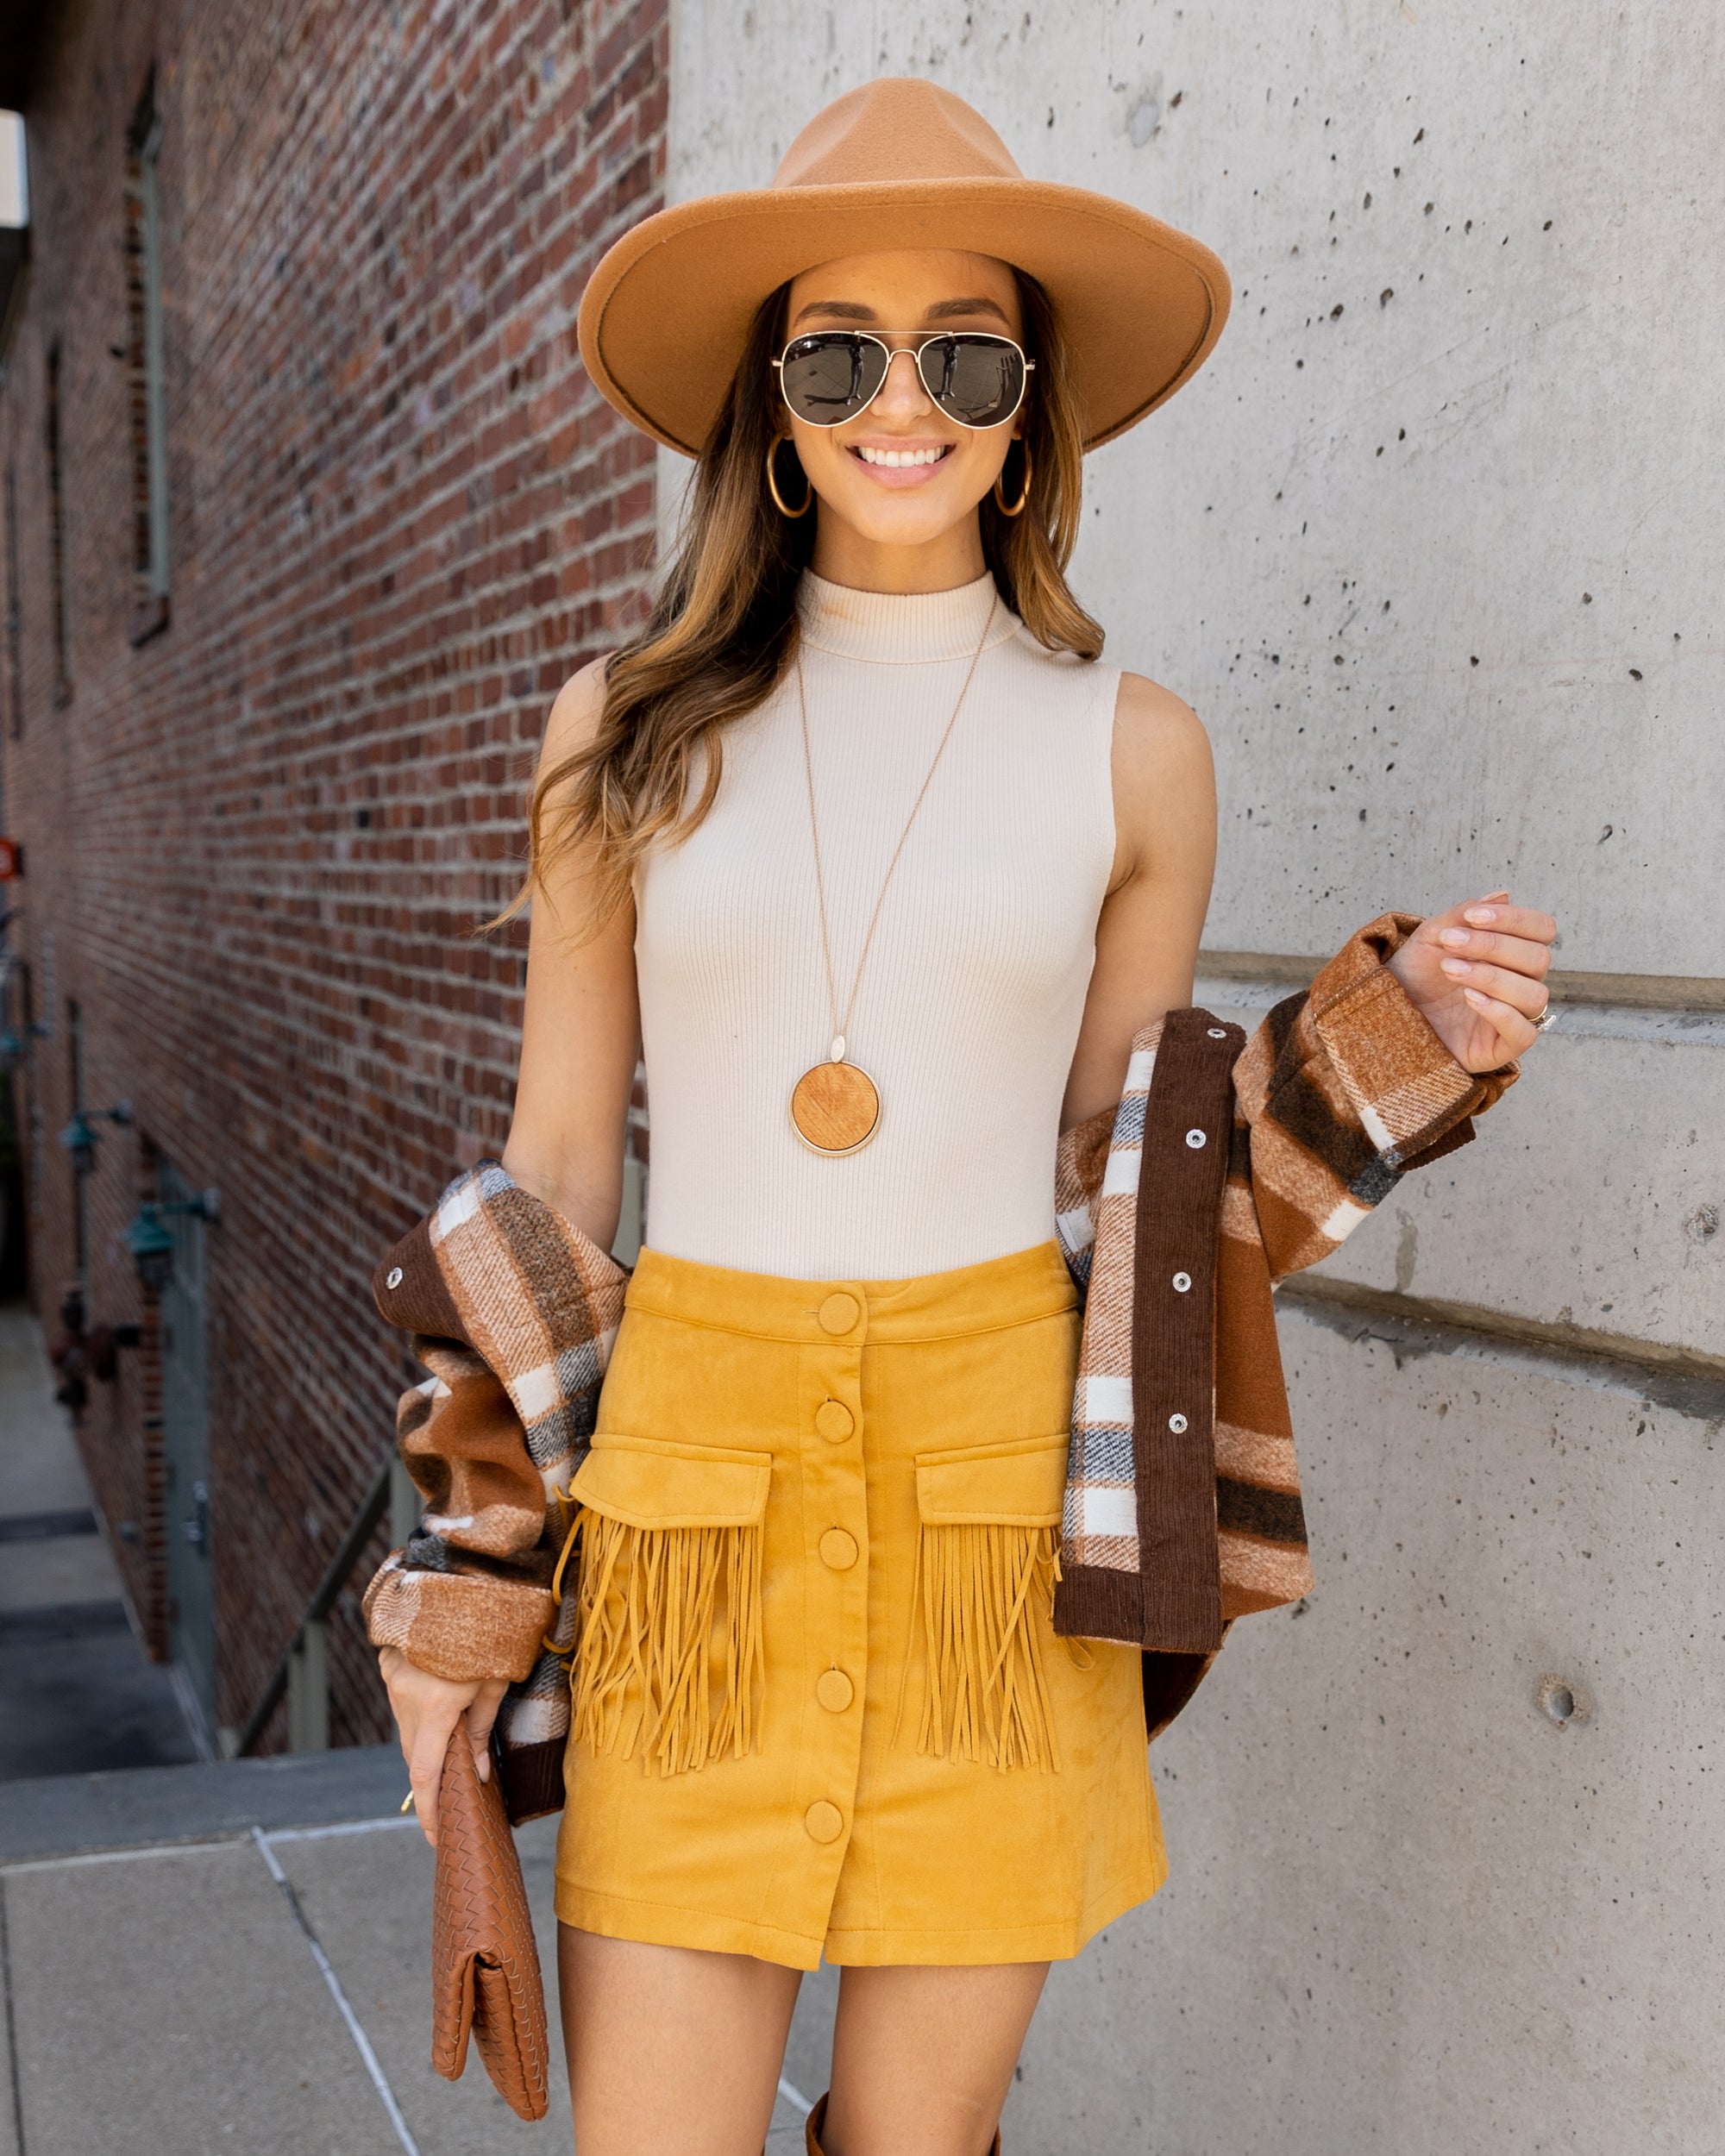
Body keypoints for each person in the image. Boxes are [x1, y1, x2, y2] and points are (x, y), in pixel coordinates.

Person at [370, 78, 1557, 2156]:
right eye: (835, 349)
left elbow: (1137, 1178)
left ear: (1027, 411)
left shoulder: (1140, 753)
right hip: (689, 1532)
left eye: (963, 354)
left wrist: (1392, 1039)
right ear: (771, 398)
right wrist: (468, 1577)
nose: (895, 400)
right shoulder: (620, 731)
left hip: (998, 1519)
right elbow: (553, 1174)